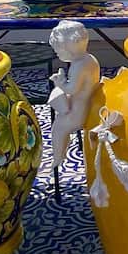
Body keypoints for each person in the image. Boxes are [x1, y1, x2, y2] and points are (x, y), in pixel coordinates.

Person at [47, 20, 101, 167]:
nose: (56, 53)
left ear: (68, 48)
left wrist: (59, 83)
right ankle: (64, 146)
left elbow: (72, 90)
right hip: (88, 101)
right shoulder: (90, 59)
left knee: (58, 127)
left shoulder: (77, 66)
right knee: (61, 121)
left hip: (79, 111)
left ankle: (58, 156)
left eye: (58, 50)